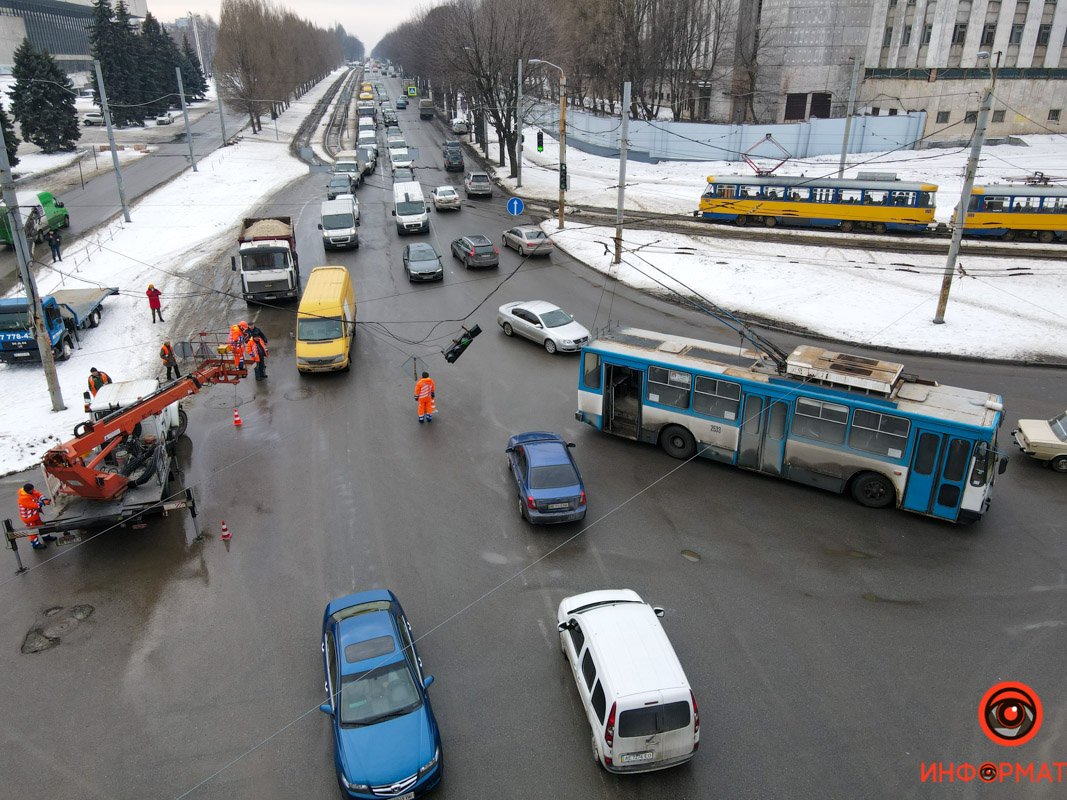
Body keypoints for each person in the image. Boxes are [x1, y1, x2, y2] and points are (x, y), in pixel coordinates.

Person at [17, 483, 53, 550]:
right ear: (28, 490)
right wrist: (44, 503)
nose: (33, 490)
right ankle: (35, 544)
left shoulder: (31, 491)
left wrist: (44, 499)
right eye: (32, 490)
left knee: (41, 526)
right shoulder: (23, 498)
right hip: (28, 518)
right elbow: (34, 505)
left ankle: (46, 537)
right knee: (32, 531)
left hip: (34, 515)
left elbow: (38, 494)